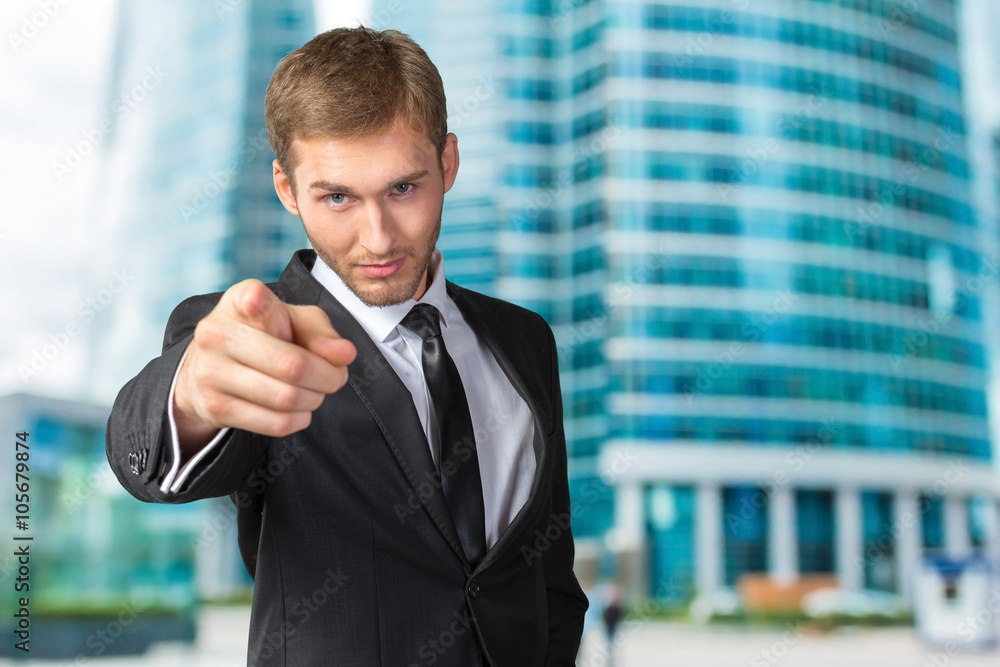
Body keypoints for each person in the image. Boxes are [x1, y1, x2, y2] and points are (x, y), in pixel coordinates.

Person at [104, 26, 588, 666]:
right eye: (337, 197)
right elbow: (154, 454)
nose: (378, 237)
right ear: (286, 189)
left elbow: (549, 575)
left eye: (403, 188)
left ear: (448, 163)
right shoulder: (260, 339)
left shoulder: (525, 341)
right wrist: (189, 395)